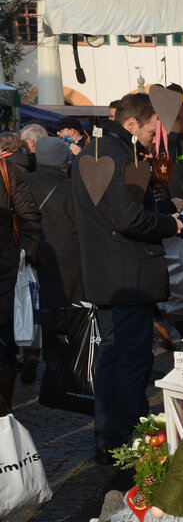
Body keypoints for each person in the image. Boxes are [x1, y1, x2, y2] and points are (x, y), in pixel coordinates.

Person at [72, 93, 183, 464]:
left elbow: (115, 211)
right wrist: (172, 224)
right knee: (130, 362)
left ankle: (110, 441)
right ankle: (130, 445)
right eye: (153, 131)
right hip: (128, 277)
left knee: (113, 359)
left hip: (107, 275)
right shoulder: (118, 156)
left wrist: (165, 205)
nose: (156, 138)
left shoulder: (93, 152)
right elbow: (127, 220)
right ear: (133, 124)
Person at [22, 137, 84, 386]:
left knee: (36, 308)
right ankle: (61, 363)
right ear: (64, 160)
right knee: (67, 312)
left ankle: (32, 352)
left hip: (32, 254)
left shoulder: (23, 182)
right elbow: (81, 225)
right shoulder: (70, 187)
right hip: (67, 257)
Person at [0, 127, 42, 414]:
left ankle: (4, 412)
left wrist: (23, 255)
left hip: (4, 270)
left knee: (3, 346)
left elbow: (29, 218)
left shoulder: (6, 171)